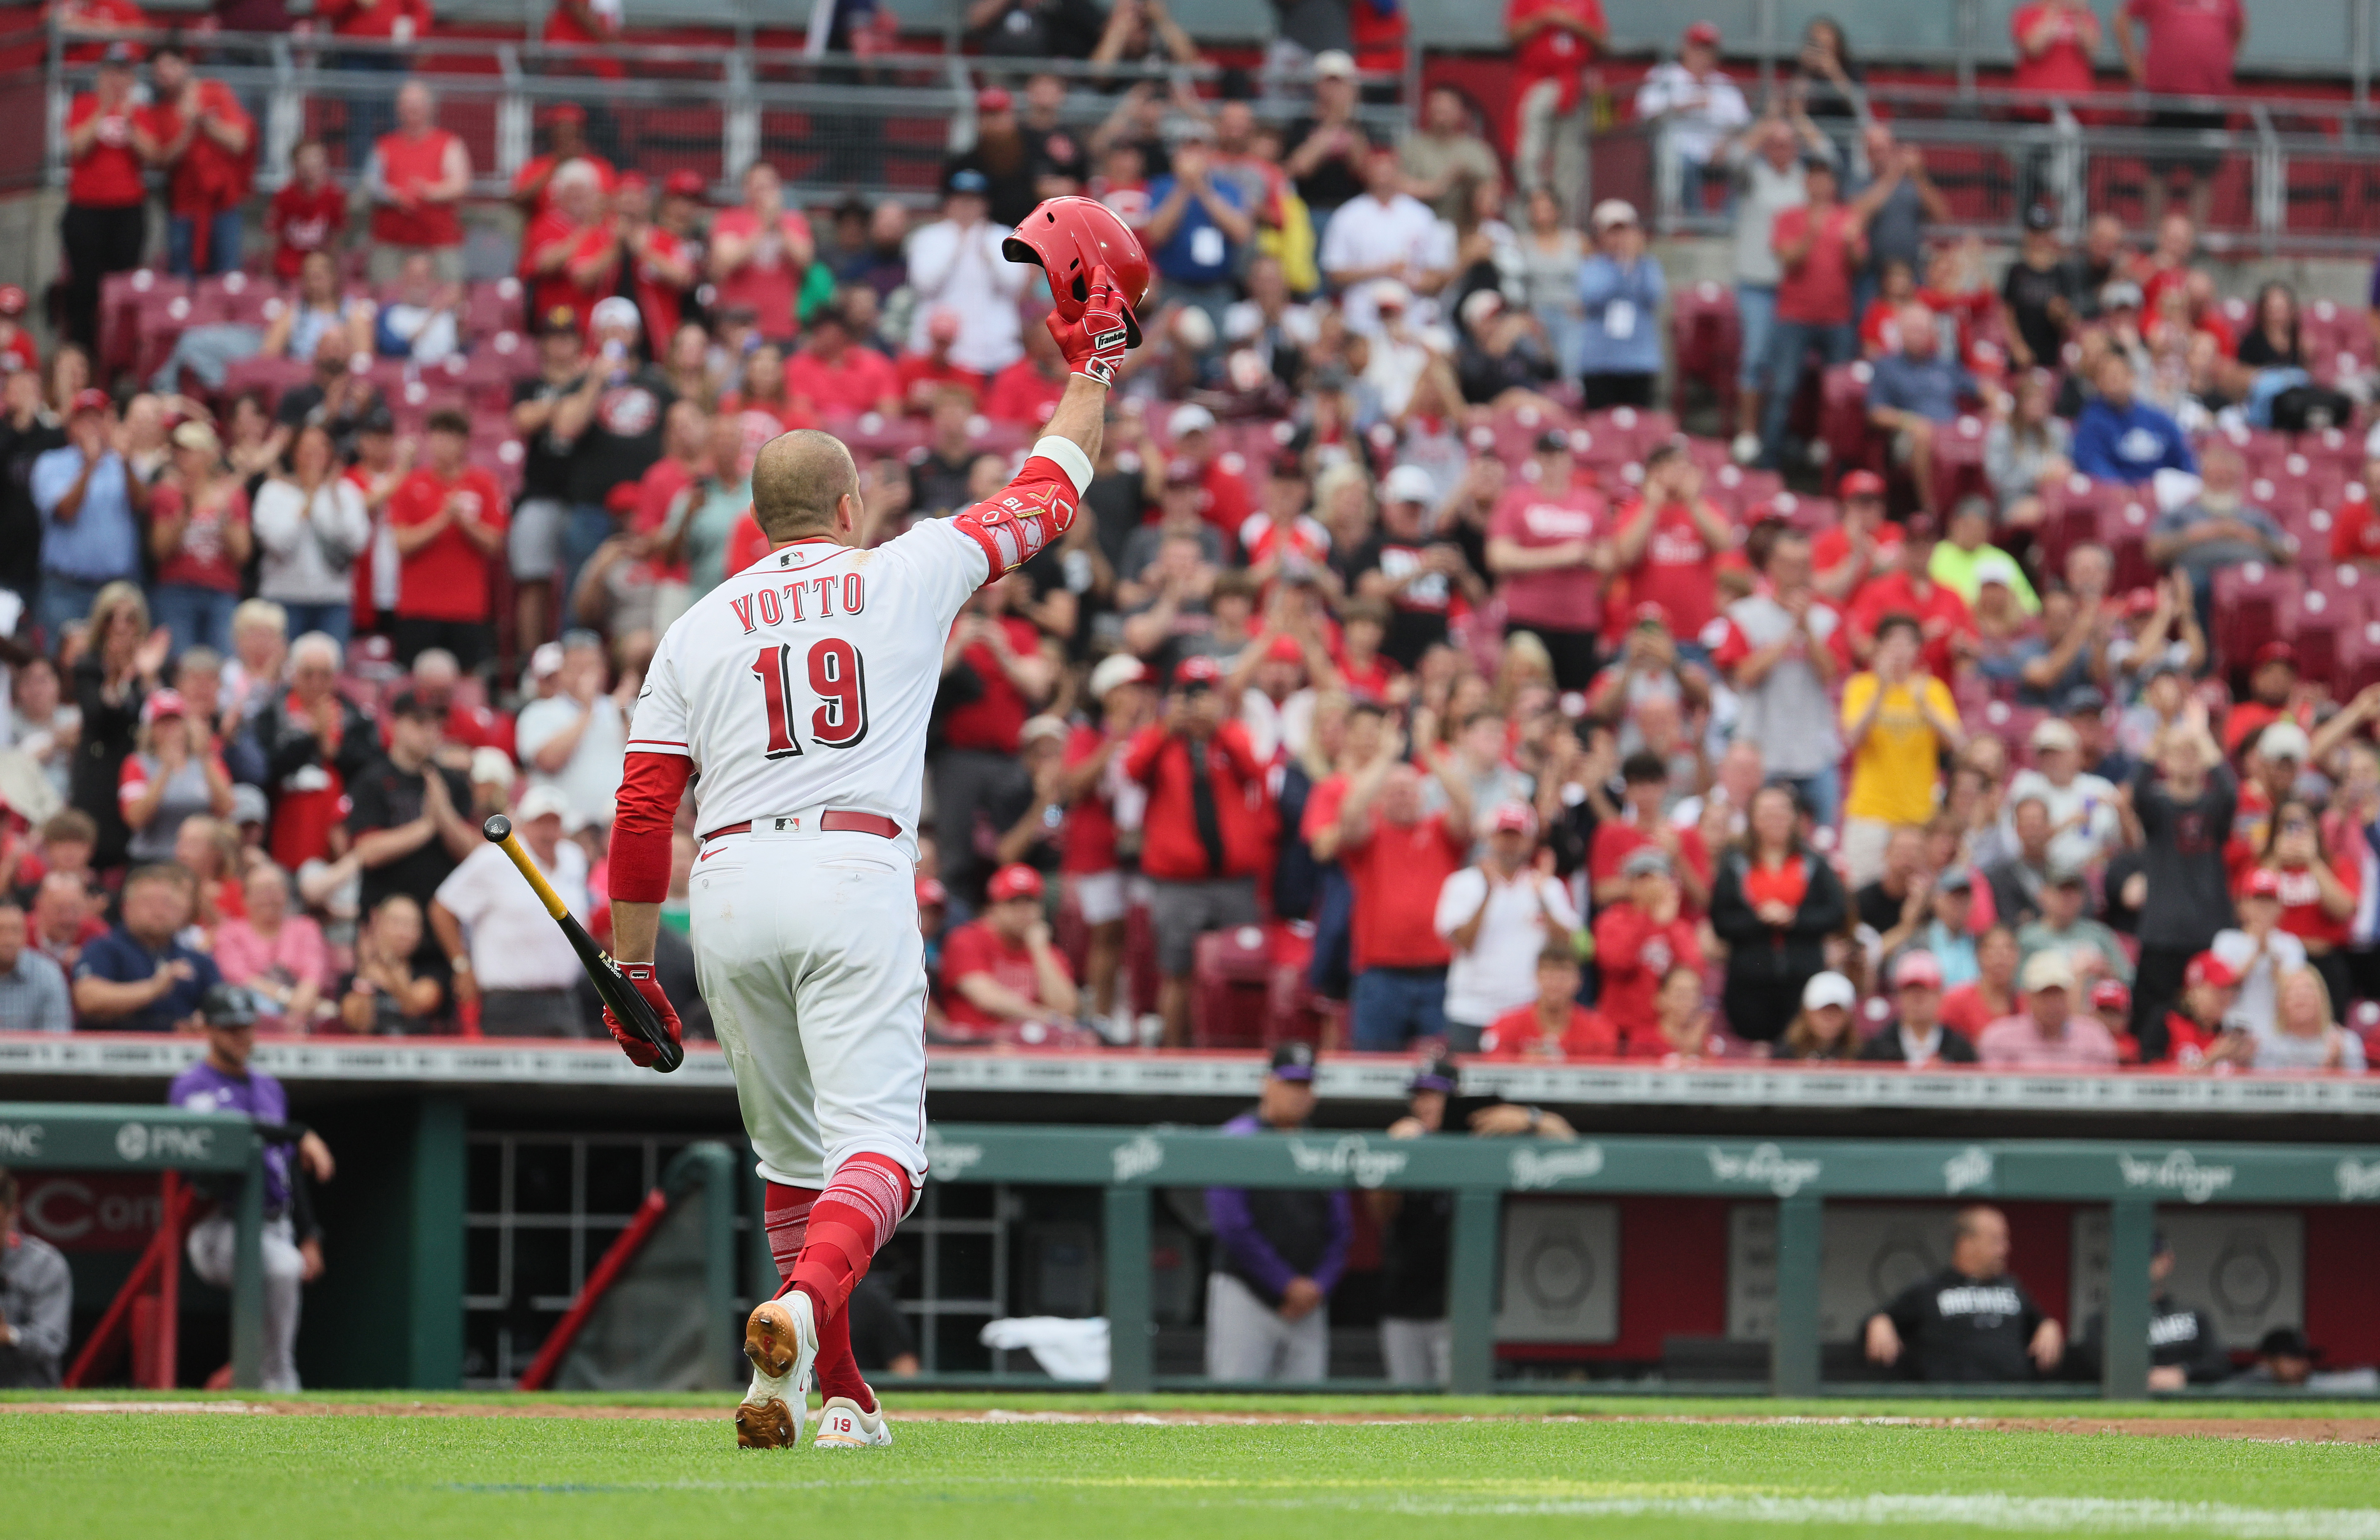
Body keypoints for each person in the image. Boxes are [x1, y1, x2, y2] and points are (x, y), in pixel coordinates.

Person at [600, 229, 1143, 1448]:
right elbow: (1052, 491)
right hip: (853, 866)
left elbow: (643, 813)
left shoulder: (694, 623)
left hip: (727, 884)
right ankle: (799, 1308)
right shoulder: (906, 568)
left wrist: (633, 969)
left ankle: (833, 1393)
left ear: (757, 520)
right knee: (884, 1153)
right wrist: (1093, 369)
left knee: (794, 1161)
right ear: (850, 505)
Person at [169, 983, 335, 1392]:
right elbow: (231, 1132)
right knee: (282, 1267)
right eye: (230, 1028)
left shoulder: (269, 1086)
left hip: (275, 1223)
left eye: (247, 1027)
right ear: (207, 1029)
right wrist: (300, 1132)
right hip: (216, 1225)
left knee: (285, 1264)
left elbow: (285, 1163)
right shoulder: (192, 1084)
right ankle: (277, 1379)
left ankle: (251, 1377)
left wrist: (310, 1233)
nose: (242, 1036)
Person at [1202, 1042, 1351, 1383]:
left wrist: (1317, 1287)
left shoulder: (1323, 1148)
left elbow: (1341, 1231)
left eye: (1306, 1086)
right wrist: (1285, 1284)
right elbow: (1232, 1225)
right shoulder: (1237, 1139)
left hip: (1308, 1303)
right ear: (1267, 1084)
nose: (1298, 1094)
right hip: (1245, 1292)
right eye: (1290, 1084)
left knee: (1305, 1416)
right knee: (1234, 1408)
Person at [1337, 737, 1473, 1051]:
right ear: (1380, 798)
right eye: (1393, 791)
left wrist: (1429, 754)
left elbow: (1465, 805)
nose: (1402, 797)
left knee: (1439, 1075)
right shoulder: (1368, 839)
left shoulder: (1440, 831)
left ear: (1423, 795)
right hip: (1381, 977)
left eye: (1409, 790)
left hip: (1439, 975)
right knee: (1374, 1074)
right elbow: (1350, 810)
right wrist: (1385, 757)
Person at [427, 785, 590, 1037]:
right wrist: (461, 965)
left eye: (554, 823)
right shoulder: (495, 858)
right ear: (523, 824)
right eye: (540, 823)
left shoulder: (573, 858)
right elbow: (443, 906)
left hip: (564, 998)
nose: (548, 832)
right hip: (510, 1001)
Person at [2122, 703, 2236, 1058]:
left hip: (2207, 932)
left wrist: (2200, 738)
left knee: (2212, 1017)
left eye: (2194, 753)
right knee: (2151, 1018)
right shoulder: (2157, 807)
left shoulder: (2213, 808)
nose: (2187, 758)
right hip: (2162, 934)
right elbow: (2137, 789)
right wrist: (2166, 726)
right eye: (2179, 753)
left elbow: (2231, 792)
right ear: (2165, 762)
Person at [1713, 528, 1845, 827]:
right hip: (1761, 752)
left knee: (1824, 836)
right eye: (1788, 563)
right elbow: (1742, 676)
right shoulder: (1745, 615)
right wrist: (1788, 636)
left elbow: (1830, 674)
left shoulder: (1828, 618)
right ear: (1771, 565)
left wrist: (1807, 630)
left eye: (1802, 564)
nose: (1796, 572)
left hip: (1814, 751)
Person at [347, 688, 477, 967]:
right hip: (385, 922)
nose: (430, 732)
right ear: (396, 725)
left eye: (436, 724)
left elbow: (472, 852)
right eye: (419, 723)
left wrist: (445, 817)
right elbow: (367, 851)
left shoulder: (452, 783)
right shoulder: (372, 780)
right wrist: (427, 826)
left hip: (441, 925)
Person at [1709, 782, 1848, 1044]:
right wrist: (1759, 919)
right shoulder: (1736, 864)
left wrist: (1794, 919)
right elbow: (1720, 920)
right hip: (1749, 980)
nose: (1776, 820)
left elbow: (1836, 912)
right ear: (1754, 820)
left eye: (1782, 812)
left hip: (1802, 978)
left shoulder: (1813, 863)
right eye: (1767, 813)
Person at [1435, 802, 1579, 1053]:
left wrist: (1542, 898)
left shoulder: (1548, 887)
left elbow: (1566, 944)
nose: (1510, 843)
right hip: (1471, 1008)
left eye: (1517, 837)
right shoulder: (1463, 883)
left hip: (1526, 1008)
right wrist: (1488, 894)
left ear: (1530, 841)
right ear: (1491, 838)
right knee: (1467, 1087)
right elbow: (1464, 943)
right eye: (1504, 836)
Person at [1864, 1205, 2063, 1382]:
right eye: (1996, 1241)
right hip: (1949, 1398)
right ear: (1966, 1243)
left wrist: (2049, 1325)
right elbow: (1882, 1318)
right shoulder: (1932, 1288)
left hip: (2012, 1395)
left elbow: (2039, 1321)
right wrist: (1880, 1320)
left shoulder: (2012, 1287)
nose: (2005, 1249)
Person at [1839, 613, 1965, 887]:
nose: (1899, 650)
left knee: (1918, 891)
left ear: (1918, 650)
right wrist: (1881, 691)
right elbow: (1852, 739)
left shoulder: (1932, 689)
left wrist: (1927, 708)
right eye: (1892, 642)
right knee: (1862, 889)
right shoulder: (1861, 686)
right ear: (1879, 648)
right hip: (1870, 812)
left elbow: (1958, 744)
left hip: (1918, 814)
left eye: (1908, 643)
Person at [385, 409, 508, 670]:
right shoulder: (411, 484)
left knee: (467, 683)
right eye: (437, 437)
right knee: (414, 683)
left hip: (467, 608)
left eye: (450, 437)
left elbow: (495, 544)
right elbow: (403, 544)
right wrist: (444, 519)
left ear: (464, 442)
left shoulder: (484, 484)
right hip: (418, 607)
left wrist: (465, 523)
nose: (443, 445)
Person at [59, 44, 153, 353]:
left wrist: (130, 121)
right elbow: (77, 145)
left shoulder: (139, 112)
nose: (118, 79)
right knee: (84, 288)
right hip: (86, 208)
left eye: (125, 72)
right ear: (101, 75)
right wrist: (103, 108)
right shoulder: (84, 104)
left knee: (124, 289)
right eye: (113, 71)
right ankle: (83, 356)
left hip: (127, 210)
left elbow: (154, 155)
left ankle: (119, 356)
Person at [2117, 0, 2243, 230]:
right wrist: (2135, 66)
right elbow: (2121, 20)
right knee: (2158, 171)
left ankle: (2194, 243)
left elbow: (2240, 27)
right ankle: (2154, 239)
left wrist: (2225, 64)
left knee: (2204, 174)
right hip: (2164, 98)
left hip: (2211, 101)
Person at [32, 389, 145, 644]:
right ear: (71, 426)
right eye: (86, 420)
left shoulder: (124, 464)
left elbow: (142, 506)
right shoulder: (51, 463)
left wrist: (126, 463)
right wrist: (89, 467)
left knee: (115, 665)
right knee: (62, 664)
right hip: (66, 589)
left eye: (99, 420)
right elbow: (66, 511)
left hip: (116, 592)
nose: (93, 428)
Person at [2069, 1232, 2232, 1388]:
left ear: (2168, 1260)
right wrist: (2143, 1376)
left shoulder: (2195, 1315)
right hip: (2129, 1405)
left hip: (2186, 1404)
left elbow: (2218, 1363)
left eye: (2150, 1257)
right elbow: (2092, 1367)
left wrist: (2184, 1373)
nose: (2142, 1265)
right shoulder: (2102, 1321)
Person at [71, 863, 221, 1030]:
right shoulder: (104, 949)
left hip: (182, 1053)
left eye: (168, 904)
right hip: (116, 1051)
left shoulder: (197, 961)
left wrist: (205, 1020)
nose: (159, 911)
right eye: (148, 902)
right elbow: (88, 998)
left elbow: (221, 1005)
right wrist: (154, 988)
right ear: (126, 907)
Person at [514, 630, 631, 834]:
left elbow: (644, 759)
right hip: (564, 831)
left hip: (617, 828)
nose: (586, 676)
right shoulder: (538, 712)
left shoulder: (622, 708)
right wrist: (587, 711)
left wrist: (622, 715)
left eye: (592, 667)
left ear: (604, 670)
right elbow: (549, 762)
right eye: (577, 668)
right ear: (562, 672)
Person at [1505, 0, 1606, 223]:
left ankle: (1566, 222)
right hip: (1535, 82)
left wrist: (1570, 22)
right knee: (1529, 153)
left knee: (1571, 159)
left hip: (1573, 85)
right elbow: (1512, 36)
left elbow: (1602, 41)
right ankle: (1533, 211)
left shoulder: (1587, 3)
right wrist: (1545, 18)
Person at [1595, 847, 1703, 1053]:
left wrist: (1669, 926)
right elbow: (1617, 963)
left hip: (1665, 1035)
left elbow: (1693, 972)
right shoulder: (1612, 921)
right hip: (1622, 1031)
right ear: (1630, 885)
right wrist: (1646, 917)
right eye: (1642, 879)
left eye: (1656, 878)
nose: (1650, 886)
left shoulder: (1678, 925)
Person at [1635, 22, 1751, 211]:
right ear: (1685, 48)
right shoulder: (1665, 76)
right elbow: (1647, 114)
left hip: (1717, 150)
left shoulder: (1724, 83)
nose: (1702, 55)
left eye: (1708, 50)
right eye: (1697, 48)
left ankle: (1730, 223)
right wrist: (1685, 106)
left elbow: (1742, 123)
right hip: (1679, 148)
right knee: (1677, 161)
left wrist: (1725, 143)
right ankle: (1694, 222)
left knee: (1744, 157)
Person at [365, 81, 471, 284]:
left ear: (430, 108)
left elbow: (460, 184)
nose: (411, 109)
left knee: (447, 297)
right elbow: (371, 185)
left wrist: (427, 192)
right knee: (386, 298)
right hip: (391, 242)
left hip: (439, 242)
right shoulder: (384, 145)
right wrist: (393, 195)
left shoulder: (449, 143)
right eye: (406, 104)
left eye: (417, 103)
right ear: (398, 109)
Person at [212, 863, 333, 1033]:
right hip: (250, 1023)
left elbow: (313, 975)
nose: (268, 898)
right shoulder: (229, 933)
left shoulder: (306, 928)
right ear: (244, 899)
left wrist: (298, 1010)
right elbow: (240, 979)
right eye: (261, 891)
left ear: (286, 894)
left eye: (274, 890)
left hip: (304, 1022)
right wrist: (289, 999)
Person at [1575, 201, 1666, 409]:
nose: (1619, 239)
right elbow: (1592, 298)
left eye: (1624, 232)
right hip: (1600, 364)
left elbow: (1654, 296)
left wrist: (1633, 265)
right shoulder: (1592, 266)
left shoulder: (1648, 266)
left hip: (1639, 362)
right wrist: (1620, 268)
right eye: (1612, 232)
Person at [1978, 950, 2122, 1068]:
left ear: (2070, 995)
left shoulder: (2095, 1037)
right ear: (2028, 997)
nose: (2053, 1003)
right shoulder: (2000, 1038)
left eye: (2059, 993)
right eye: (2045, 994)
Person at [2071, 351, 2194, 486]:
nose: (2115, 382)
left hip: (2161, 492)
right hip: (2118, 494)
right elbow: (2091, 462)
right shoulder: (2092, 421)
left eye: (2119, 376)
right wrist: (2124, 490)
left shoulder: (2156, 418)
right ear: (2099, 383)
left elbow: (2184, 456)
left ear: (2132, 377)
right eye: (2108, 377)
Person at [0, 1167, 70, 1386]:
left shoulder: (44, 1263)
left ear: (13, 1215)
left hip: (29, 1400)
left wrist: (8, 1335)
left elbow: (52, 1342)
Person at [1858, 950, 1978, 1065]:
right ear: (1898, 995)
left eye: (1925, 991)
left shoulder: (1960, 1050)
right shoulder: (1877, 1049)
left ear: (1939, 995)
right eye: (1910, 991)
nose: (1917, 999)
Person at [2254, 966, 2368, 1073]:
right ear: (2281, 1003)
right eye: (2292, 992)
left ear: (2322, 999)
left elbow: (2362, 1090)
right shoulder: (2267, 1046)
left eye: (2308, 990)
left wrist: (2338, 1068)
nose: (2301, 996)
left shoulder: (2347, 1044)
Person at [0, 898, 71, 1032]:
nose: (8, 940)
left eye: (15, 931)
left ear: (25, 935)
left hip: (35, 1054)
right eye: (1, 931)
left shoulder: (48, 975)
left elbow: (57, 1040)